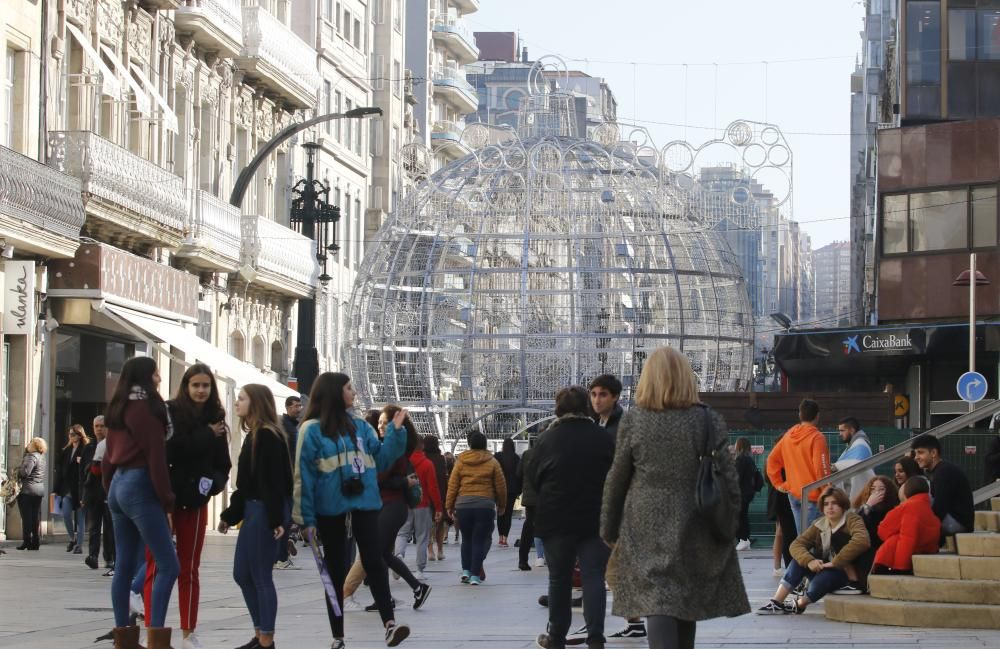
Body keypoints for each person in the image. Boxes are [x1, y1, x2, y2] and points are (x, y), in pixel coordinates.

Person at [601, 347, 749, 649]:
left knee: (658, 596)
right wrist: (729, 521)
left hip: (644, 520)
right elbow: (729, 479)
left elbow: (617, 478)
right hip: (695, 517)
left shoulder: (635, 420)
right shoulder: (707, 420)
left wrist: (608, 526)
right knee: (685, 595)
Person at [293, 372, 411, 648]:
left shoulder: (361, 426)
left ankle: (389, 624)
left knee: (374, 560)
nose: (354, 392)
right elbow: (303, 476)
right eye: (349, 388)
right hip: (330, 507)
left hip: (364, 501)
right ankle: (338, 635)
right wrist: (305, 519)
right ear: (335, 392)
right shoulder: (311, 429)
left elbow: (381, 461)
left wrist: (394, 433)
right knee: (335, 569)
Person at [144, 364, 232, 649]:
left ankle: (188, 630)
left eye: (206, 385)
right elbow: (172, 449)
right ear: (186, 386)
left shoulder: (216, 417)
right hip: (163, 499)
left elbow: (223, 464)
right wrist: (206, 434)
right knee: (154, 565)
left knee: (189, 568)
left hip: (194, 501)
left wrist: (212, 485)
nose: (201, 390)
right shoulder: (170, 412)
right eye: (195, 385)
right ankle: (152, 628)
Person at [102, 356, 180, 649]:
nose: (159, 377)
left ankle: (124, 636)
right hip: (140, 483)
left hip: (119, 484)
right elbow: (156, 457)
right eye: (156, 373)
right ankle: (156, 638)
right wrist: (167, 500)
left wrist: (111, 488)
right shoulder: (146, 409)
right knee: (168, 564)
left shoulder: (119, 406)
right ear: (147, 377)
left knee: (124, 564)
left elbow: (108, 455)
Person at [530, 386, 615, 649]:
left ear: (559, 409)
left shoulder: (546, 439)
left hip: (556, 519)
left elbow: (533, 478)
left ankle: (557, 637)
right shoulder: (602, 438)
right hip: (593, 517)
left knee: (559, 578)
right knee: (593, 576)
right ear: (586, 407)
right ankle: (596, 636)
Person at [219, 384, 292, 649]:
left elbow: (272, 482)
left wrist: (275, 520)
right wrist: (230, 514)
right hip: (253, 508)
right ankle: (260, 632)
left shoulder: (267, 436)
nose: (236, 403)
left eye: (241, 399)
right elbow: (248, 483)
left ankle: (266, 638)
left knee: (260, 576)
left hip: (264, 509)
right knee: (242, 574)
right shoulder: (257, 435)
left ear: (256, 403)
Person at [757, 487, 871, 615]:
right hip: (825, 568)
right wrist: (810, 561)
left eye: (834, 503)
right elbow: (796, 545)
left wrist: (835, 562)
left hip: (846, 576)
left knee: (823, 579)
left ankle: (799, 604)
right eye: (826, 504)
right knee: (799, 561)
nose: (830, 507)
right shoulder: (820, 523)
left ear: (843, 505)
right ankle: (777, 602)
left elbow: (862, 541)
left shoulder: (852, 519)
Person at [445, 431, 507, 586]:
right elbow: (501, 486)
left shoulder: (460, 461)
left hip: (463, 505)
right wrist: (502, 505)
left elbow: (453, 485)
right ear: (485, 443)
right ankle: (475, 575)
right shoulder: (492, 462)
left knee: (466, 539)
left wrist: (449, 506)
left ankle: (465, 571)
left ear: (470, 444)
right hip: (485, 505)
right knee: (479, 540)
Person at [766, 399, 831, 533]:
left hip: (793, 492)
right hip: (812, 495)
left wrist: (778, 483)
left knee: (802, 538)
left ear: (800, 415)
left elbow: (772, 459)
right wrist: (827, 491)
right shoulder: (817, 438)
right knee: (812, 540)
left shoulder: (789, 435)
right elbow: (821, 468)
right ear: (817, 415)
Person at [395, 434, 443, 579]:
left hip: (405, 504)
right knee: (422, 537)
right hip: (422, 505)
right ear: (422, 446)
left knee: (402, 533)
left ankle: (398, 556)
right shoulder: (427, 464)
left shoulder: (403, 462)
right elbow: (433, 487)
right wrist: (439, 508)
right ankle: (419, 570)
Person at [872, 476, 940, 575]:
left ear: (905, 492)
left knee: (894, 539)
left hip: (905, 555)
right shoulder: (928, 508)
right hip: (926, 548)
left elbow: (884, 531)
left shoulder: (906, 507)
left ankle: (882, 567)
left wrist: (901, 567)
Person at [911, 434, 975, 537]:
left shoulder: (944, 472)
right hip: (954, 520)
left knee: (917, 497)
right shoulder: (938, 471)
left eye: (920, 452)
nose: (916, 457)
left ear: (933, 453)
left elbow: (939, 509)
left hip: (958, 522)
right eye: (915, 453)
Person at [851, 475, 900, 590]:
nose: (876, 492)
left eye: (881, 489)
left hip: (878, 550)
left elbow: (877, 535)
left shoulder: (892, 509)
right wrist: (867, 506)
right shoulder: (866, 509)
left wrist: (867, 508)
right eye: (873, 489)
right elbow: (854, 527)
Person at [82, 416, 115, 570]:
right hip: (93, 492)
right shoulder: (88, 447)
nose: (99, 429)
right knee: (94, 527)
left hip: (109, 491)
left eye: (102, 426)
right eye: (96, 426)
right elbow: (82, 474)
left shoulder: (113, 445)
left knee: (109, 527)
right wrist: (82, 496)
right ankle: (93, 556)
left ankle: (109, 557)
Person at [275, 395, 302, 570]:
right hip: (288, 479)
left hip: (291, 478)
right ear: (287, 407)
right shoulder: (286, 427)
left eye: (300, 406)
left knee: (289, 516)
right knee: (286, 517)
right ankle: (280, 557)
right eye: (295, 406)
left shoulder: (293, 426)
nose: (299, 409)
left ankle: (281, 554)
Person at [54, 423, 89, 554]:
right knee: (66, 515)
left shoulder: (86, 449)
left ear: (80, 435)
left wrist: (83, 462)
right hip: (67, 489)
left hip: (80, 489)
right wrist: (56, 489)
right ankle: (72, 538)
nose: (71, 436)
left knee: (80, 518)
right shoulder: (66, 451)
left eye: (73, 434)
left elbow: (90, 467)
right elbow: (60, 472)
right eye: (69, 434)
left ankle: (79, 545)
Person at [15, 437, 47, 551]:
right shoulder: (42, 457)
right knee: (35, 517)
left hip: (27, 490)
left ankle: (27, 541)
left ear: (33, 445)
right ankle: (36, 541)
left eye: (30, 443)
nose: (28, 444)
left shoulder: (31, 456)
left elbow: (25, 473)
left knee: (27, 517)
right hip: (38, 490)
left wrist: (17, 470)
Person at [832, 417, 874, 499]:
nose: (840, 434)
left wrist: (835, 466)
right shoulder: (853, 445)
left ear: (851, 430)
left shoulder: (860, 445)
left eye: (842, 430)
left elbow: (856, 466)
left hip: (856, 497)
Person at [423, 435, 449, 561]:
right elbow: (444, 478)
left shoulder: (423, 458)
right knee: (440, 523)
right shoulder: (441, 458)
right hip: (440, 493)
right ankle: (440, 550)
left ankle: (430, 551)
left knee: (428, 524)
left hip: (425, 494)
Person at [734, 437, 762, 551]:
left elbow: (737, 478)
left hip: (740, 492)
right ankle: (745, 539)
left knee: (739, 517)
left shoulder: (740, 459)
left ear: (739, 445)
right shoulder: (750, 459)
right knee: (743, 516)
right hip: (748, 492)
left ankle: (743, 539)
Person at [515, 438, 539, 571]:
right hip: (546, 496)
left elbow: (518, 473)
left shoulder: (527, 454)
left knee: (528, 527)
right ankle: (546, 557)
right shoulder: (549, 452)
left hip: (530, 497)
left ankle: (523, 559)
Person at [494, 437, 521, 547]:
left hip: (499, 489)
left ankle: (500, 537)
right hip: (512, 490)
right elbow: (519, 475)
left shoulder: (498, 456)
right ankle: (505, 538)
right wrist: (519, 490)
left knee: (500, 513)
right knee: (508, 514)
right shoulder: (516, 458)